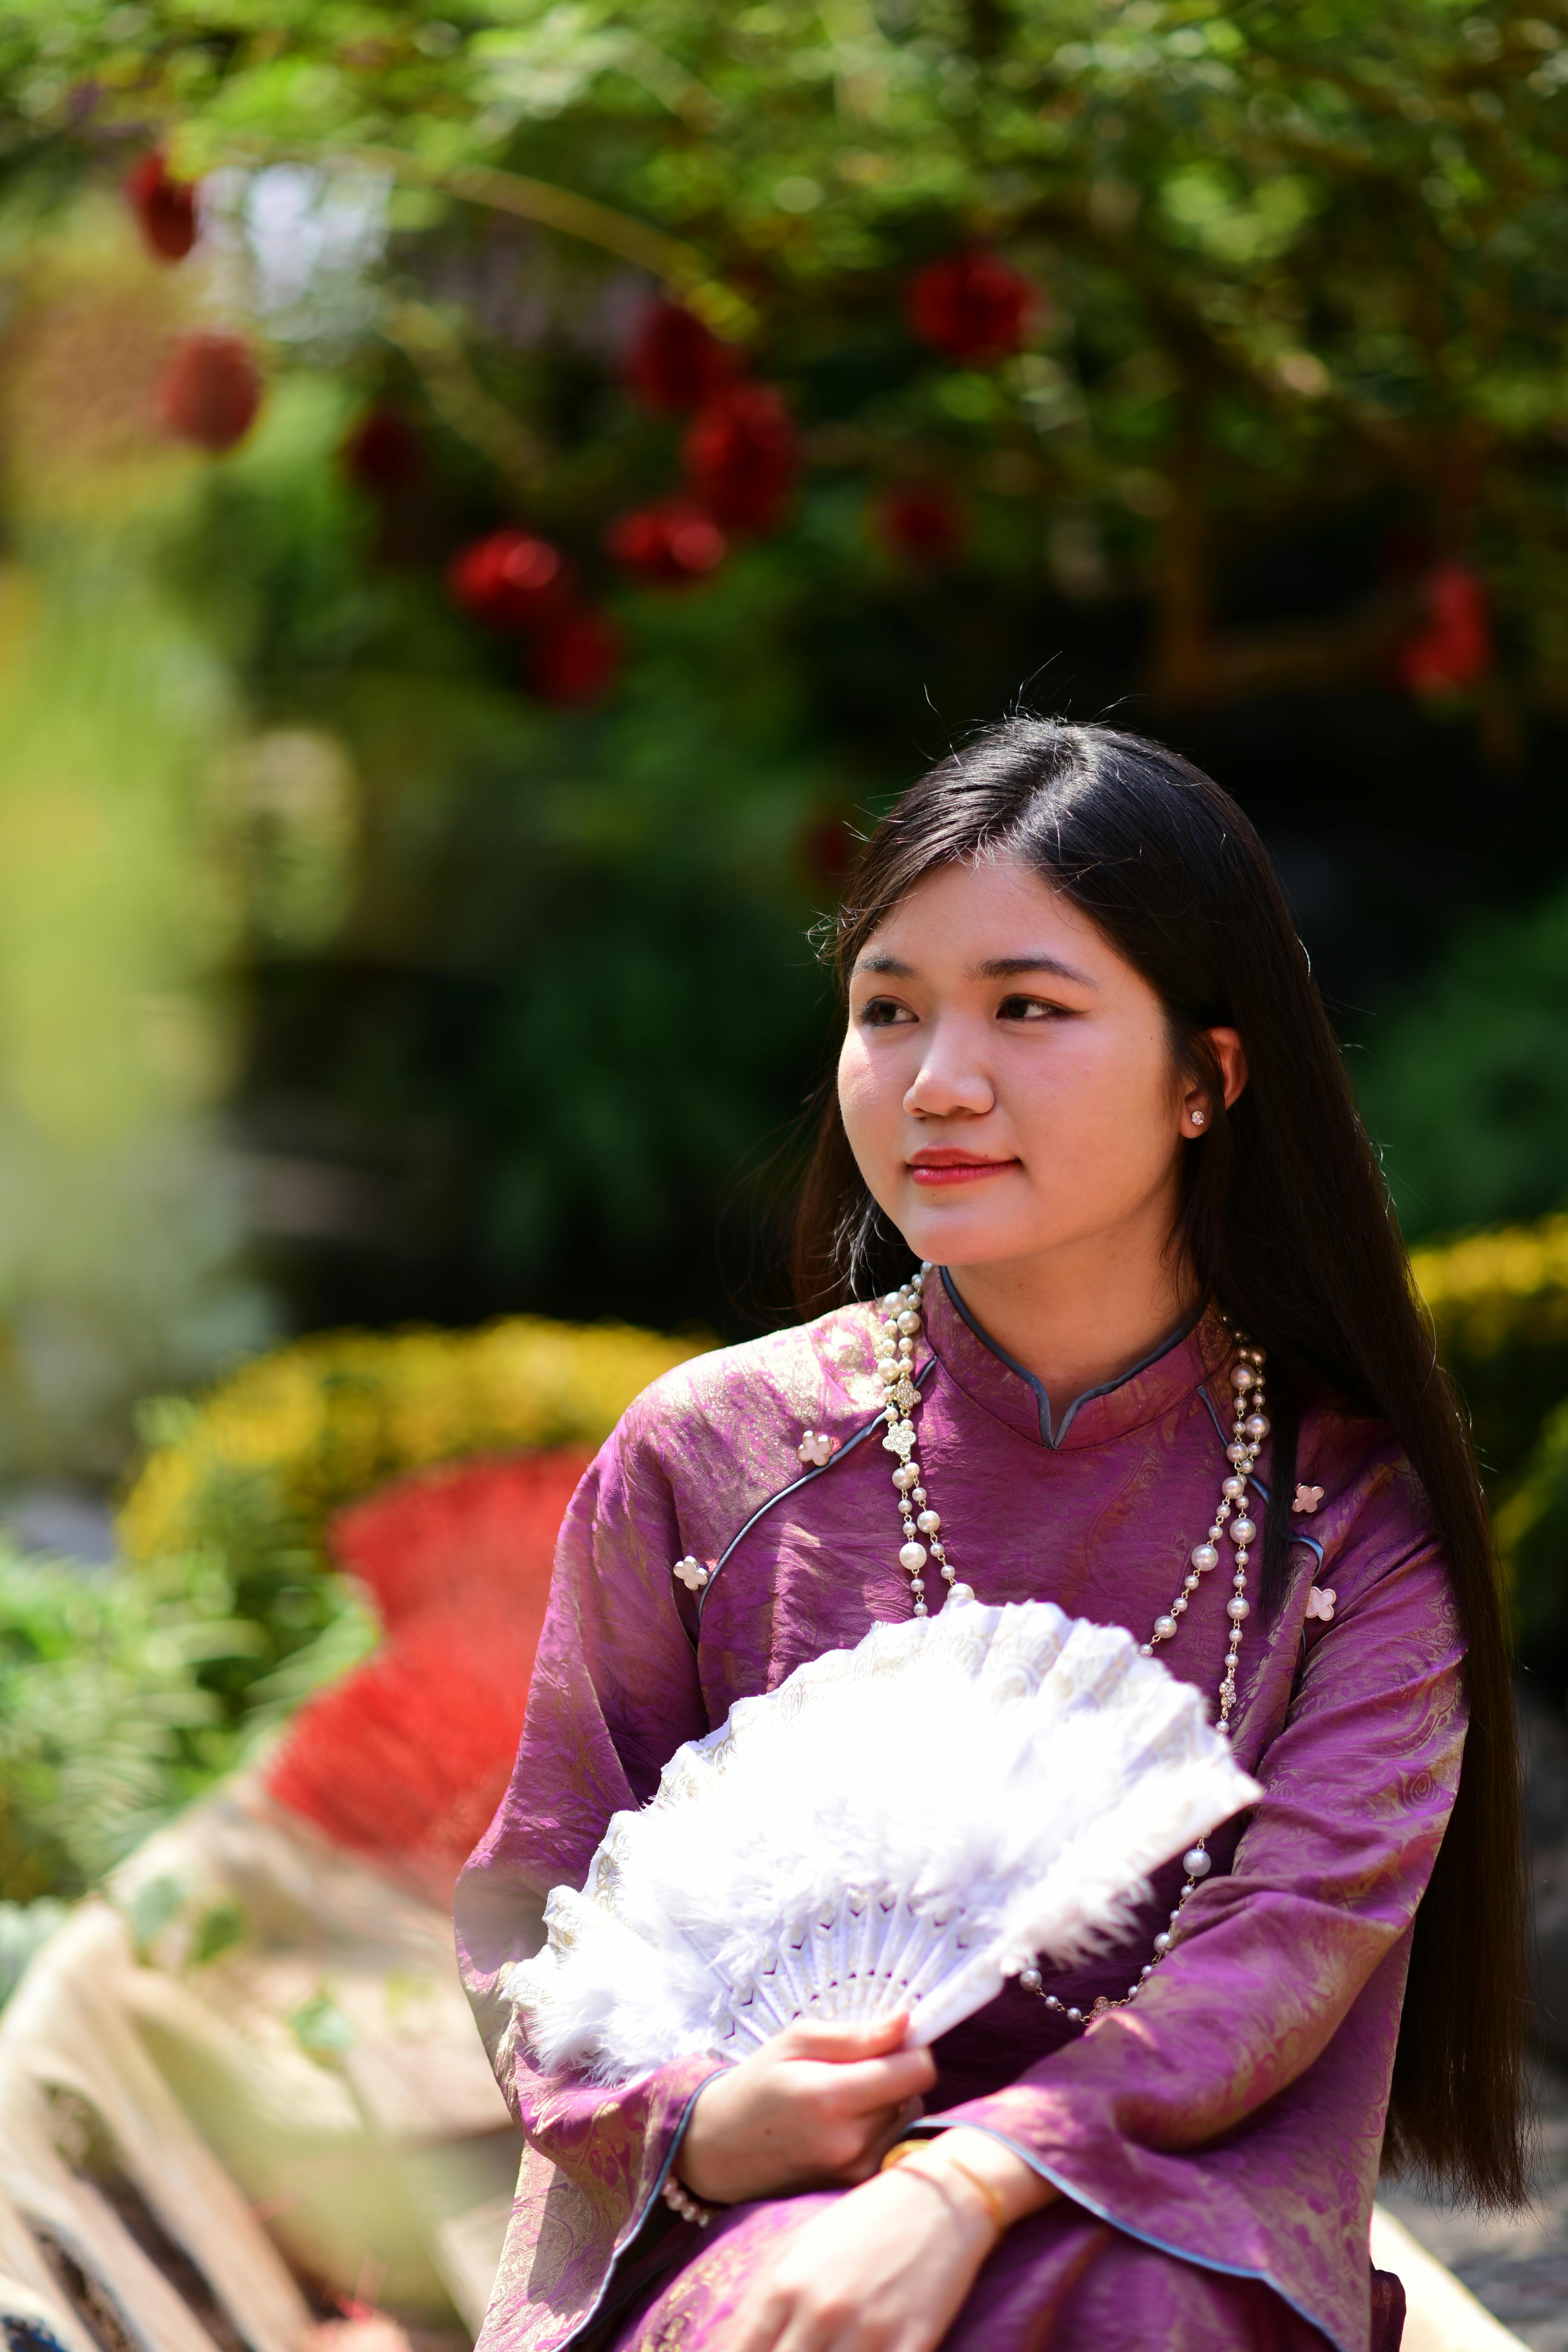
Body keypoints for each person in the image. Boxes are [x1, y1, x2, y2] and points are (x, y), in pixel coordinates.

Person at [456, 720, 1528, 2352]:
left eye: (1028, 1008)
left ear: (1208, 1077)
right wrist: (692, 2119)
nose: (937, 1080)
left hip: (1166, 2227)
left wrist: (959, 2188)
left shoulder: (1353, 1521)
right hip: (740, 2221)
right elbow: (540, 1902)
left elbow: (1283, 1954)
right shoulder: (711, 1458)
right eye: (889, 1009)